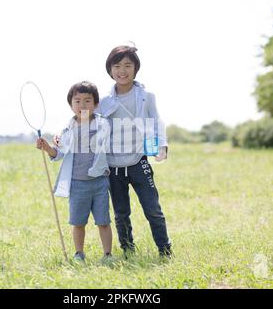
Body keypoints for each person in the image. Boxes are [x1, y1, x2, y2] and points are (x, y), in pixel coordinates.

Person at [96, 44, 172, 258]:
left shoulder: (147, 96)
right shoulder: (103, 102)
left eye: (128, 65)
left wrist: (162, 146)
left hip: (139, 162)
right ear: (110, 70)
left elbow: (157, 122)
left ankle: (165, 250)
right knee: (121, 213)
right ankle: (128, 251)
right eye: (117, 65)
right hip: (113, 167)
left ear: (135, 69)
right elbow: (85, 123)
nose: (122, 70)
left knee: (153, 210)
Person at [36, 81, 113, 262]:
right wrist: (48, 147)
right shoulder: (66, 131)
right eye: (77, 101)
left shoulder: (103, 124)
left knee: (103, 221)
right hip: (77, 183)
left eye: (88, 101)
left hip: (99, 181)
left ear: (95, 104)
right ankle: (79, 253)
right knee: (78, 222)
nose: (82, 105)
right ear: (71, 105)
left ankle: (108, 253)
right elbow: (59, 153)